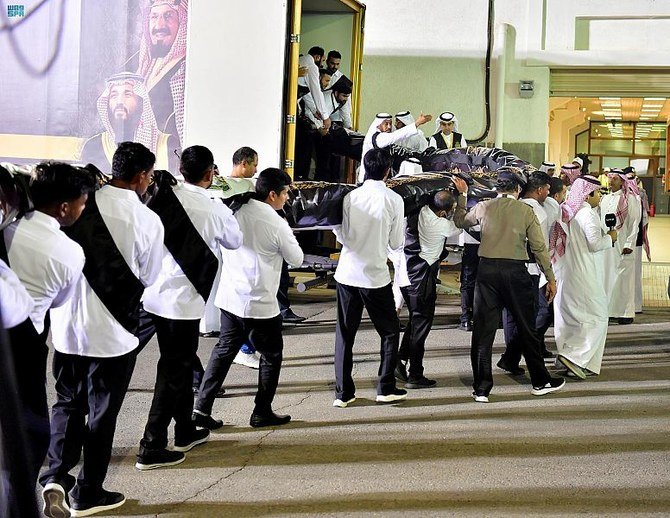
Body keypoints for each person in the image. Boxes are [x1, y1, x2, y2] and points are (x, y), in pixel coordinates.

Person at [39, 142, 164, 517]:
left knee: (66, 402)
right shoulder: (147, 220)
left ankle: (56, 476)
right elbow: (151, 276)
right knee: (102, 412)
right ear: (142, 177)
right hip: (113, 333)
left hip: (66, 327)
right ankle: (89, 492)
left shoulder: (80, 203)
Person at [137, 146, 243, 471]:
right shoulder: (214, 207)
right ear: (211, 172)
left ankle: (184, 430)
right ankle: (151, 445)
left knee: (180, 367)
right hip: (182, 302)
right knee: (172, 371)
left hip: (150, 293)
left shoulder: (163, 196)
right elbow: (234, 242)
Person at [2, 163, 94, 504]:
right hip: (24, 345)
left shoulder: (8, 228)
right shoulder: (69, 252)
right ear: (65, 208)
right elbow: (60, 301)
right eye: (83, 203)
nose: (83, 210)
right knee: (28, 433)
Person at [193, 169, 304, 429]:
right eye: (286, 193)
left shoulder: (236, 211)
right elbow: (296, 259)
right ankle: (262, 411)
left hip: (231, 298)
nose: (288, 198)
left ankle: (201, 409)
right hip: (260, 303)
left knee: (222, 352)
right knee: (271, 355)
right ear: (273, 194)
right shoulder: (277, 223)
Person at [453, 168, 565, 402]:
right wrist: (551, 278)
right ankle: (540, 381)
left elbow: (461, 221)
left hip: (486, 272)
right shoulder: (525, 210)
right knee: (527, 328)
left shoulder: (484, 206)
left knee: (483, 333)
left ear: (497, 188)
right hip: (515, 272)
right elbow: (539, 248)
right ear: (517, 189)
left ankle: (481, 388)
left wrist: (462, 196)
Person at [332, 148, 408, 407]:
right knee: (388, 332)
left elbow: (341, 235)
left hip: (347, 274)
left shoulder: (350, 197)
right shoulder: (394, 199)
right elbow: (397, 242)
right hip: (375, 277)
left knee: (345, 334)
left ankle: (343, 394)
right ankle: (385, 387)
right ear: (388, 170)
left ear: (364, 167)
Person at [394, 188, 462, 388]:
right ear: (443, 212)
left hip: (407, 276)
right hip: (422, 279)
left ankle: (400, 360)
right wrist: (463, 199)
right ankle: (415, 375)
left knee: (416, 322)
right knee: (421, 326)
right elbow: (460, 224)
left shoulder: (419, 211)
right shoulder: (442, 224)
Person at [551, 175, 617, 378]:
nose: (600, 197)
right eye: (598, 193)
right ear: (587, 196)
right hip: (584, 273)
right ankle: (574, 356)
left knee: (571, 317)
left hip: (567, 273)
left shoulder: (567, 212)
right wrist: (610, 237)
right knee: (598, 316)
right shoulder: (586, 213)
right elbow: (595, 244)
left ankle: (573, 358)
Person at [498, 171, 554, 376]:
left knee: (511, 314)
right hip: (529, 269)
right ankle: (512, 355)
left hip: (505, 266)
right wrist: (549, 275)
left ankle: (511, 357)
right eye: (547, 189)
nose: (548, 192)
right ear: (539, 190)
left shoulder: (512, 207)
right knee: (533, 316)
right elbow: (540, 246)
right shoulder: (537, 212)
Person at [80, 72, 179, 172]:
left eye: (127, 95)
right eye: (114, 96)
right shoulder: (93, 147)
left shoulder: (168, 145)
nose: (119, 101)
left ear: (141, 103)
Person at [135, 0, 189, 144]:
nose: (159, 26)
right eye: (154, 17)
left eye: (168, 16)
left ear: (182, 22)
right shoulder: (146, 65)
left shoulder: (184, 69)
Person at [600, 169, 642, 325]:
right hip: (607, 244)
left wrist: (629, 243)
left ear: (623, 181)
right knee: (609, 277)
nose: (611, 181)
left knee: (623, 279)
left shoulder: (631, 199)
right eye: (610, 178)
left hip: (623, 244)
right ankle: (611, 310)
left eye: (615, 179)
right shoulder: (604, 199)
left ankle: (625, 312)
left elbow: (634, 224)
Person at [358, 112, 432, 182]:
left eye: (390, 124)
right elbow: (395, 136)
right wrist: (417, 123)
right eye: (386, 124)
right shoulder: (378, 137)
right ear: (378, 125)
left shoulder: (385, 133)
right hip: (369, 177)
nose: (389, 127)